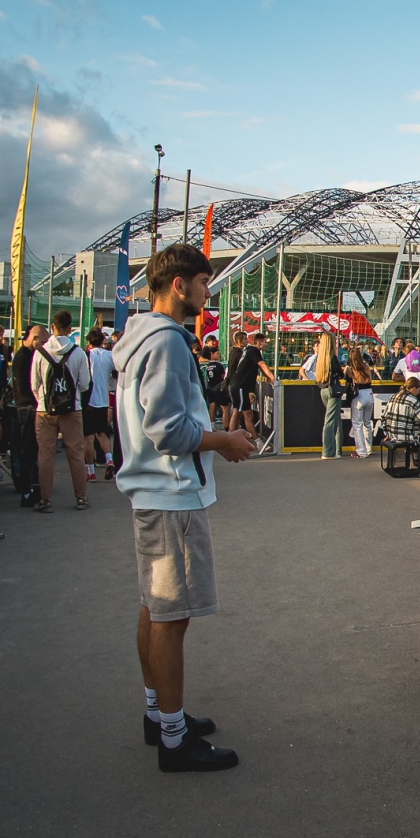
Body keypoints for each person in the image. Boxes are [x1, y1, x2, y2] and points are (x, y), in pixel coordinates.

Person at [113, 244, 255, 773]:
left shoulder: (139, 336)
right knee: (171, 617)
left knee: (155, 609)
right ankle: (173, 739)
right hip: (171, 495)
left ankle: (160, 715)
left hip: (153, 492)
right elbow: (167, 429)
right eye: (202, 282)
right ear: (179, 285)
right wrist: (224, 441)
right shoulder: (168, 342)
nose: (206, 293)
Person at [31, 309, 92, 512]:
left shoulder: (40, 353)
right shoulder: (78, 353)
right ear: (70, 329)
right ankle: (81, 497)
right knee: (76, 453)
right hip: (72, 408)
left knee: (45, 454)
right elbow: (84, 384)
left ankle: (45, 499)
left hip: (44, 409)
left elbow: (34, 384)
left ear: (52, 327)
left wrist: (42, 399)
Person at [8, 323, 46, 506]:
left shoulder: (29, 355)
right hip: (26, 408)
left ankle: (30, 484)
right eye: (43, 342)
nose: (44, 345)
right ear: (34, 338)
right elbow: (24, 386)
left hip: (27, 406)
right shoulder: (23, 357)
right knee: (26, 449)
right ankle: (26, 488)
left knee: (29, 449)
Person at [84, 327, 116, 481]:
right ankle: (109, 459)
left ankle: (90, 471)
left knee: (88, 437)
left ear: (89, 341)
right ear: (103, 341)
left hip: (88, 400)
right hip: (103, 400)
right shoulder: (109, 355)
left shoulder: (86, 355)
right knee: (102, 433)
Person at [310, 333, 346, 459]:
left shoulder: (319, 358)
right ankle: (328, 452)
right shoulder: (332, 357)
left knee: (335, 419)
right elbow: (340, 374)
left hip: (323, 390)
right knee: (330, 422)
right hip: (333, 391)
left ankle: (338, 450)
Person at [229, 330, 265, 439]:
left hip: (236, 385)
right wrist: (271, 377)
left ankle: (233, 437)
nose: (247, 341)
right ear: (239, 341)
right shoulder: (239, 353)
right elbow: (235, 369)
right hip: (238, 385)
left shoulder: (240, 352)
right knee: (240, 413)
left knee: (238, 412)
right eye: (245, 339)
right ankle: (232, 438)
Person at [350, 345, 377, 459]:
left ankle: (361, 451)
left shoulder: (351, 368)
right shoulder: (366, 366)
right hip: (369, 394)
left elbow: (348, 381)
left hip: (359, 395)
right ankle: (368, 448)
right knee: (367, 423)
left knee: (357, 424)